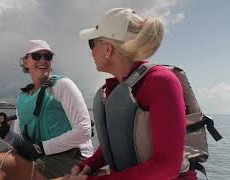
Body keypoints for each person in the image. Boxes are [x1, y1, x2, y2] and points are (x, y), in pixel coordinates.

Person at [63, 8, 198, 180]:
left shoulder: (161, 82)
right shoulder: (116, 89)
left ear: (108, 47)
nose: (91, 51)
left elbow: (167, 167)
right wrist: (88, 164)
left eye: (92, 43)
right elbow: (121, 140)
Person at [0, 39, 94, 179]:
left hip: (75, 158)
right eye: (37, 56)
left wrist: (40, 148)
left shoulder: (63, 85)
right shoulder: (22, 98)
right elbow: (23, 144)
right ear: (25, 62)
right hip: (43, 156)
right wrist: (5, 133)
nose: (43, 60)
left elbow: (84, 131)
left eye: (48, 57)